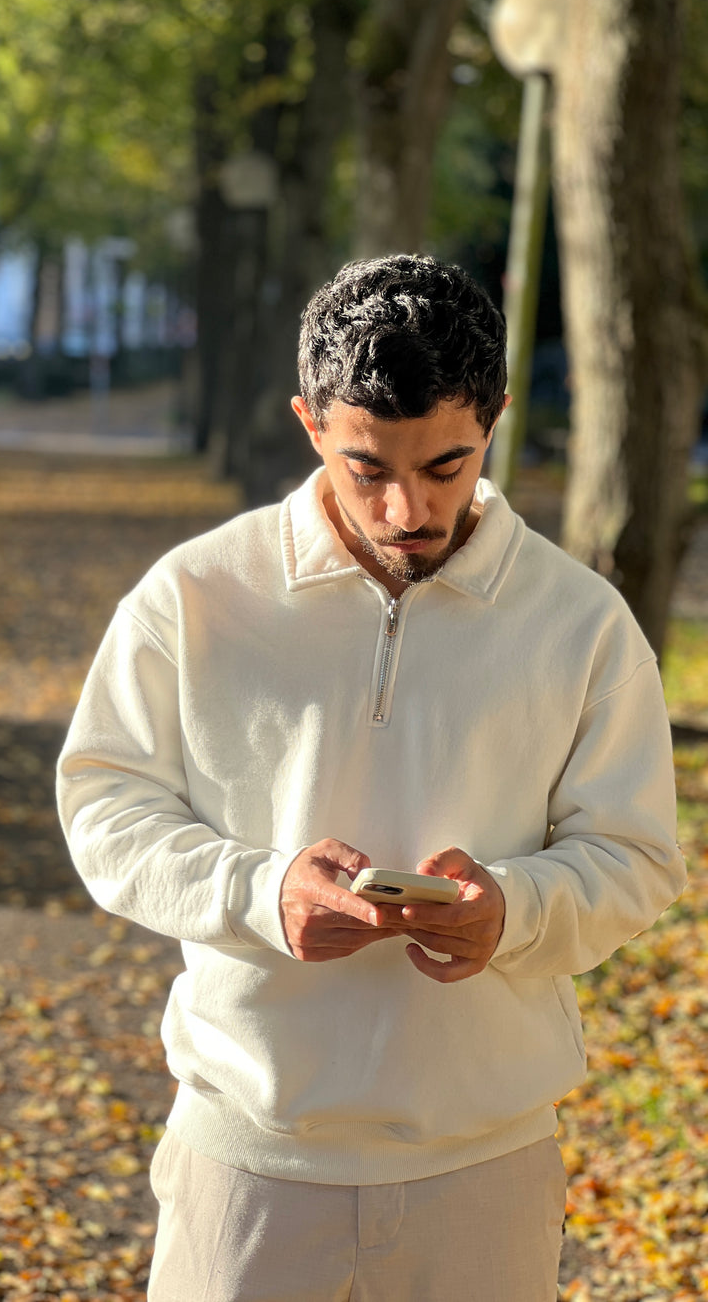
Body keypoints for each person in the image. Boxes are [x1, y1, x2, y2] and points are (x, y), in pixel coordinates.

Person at [55, 254, 685, 1302]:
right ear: (310, 424)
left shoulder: (581, 623)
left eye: (446, 465)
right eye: (367, 468)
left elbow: (636, 856)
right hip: (247, 1167)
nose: (406, 510)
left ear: (494, 420)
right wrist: (260, 893)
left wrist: (513, 911)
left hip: (482, 1175)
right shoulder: (196, 594)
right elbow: (104, 805)